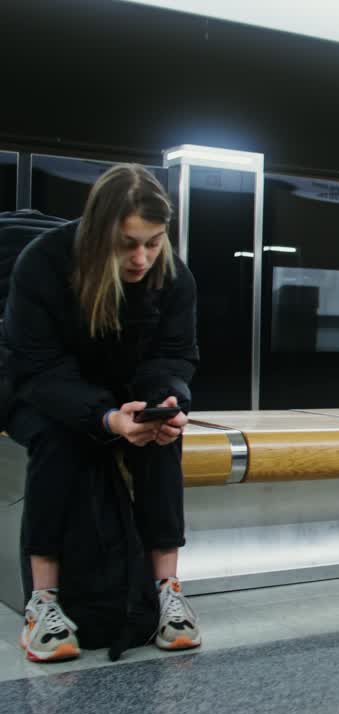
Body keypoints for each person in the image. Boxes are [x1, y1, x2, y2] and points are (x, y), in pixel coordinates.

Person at [4, 164, 201, 662]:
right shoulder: (44, 262)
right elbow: (39, 367)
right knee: (58, 439)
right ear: (97, 233)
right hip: (37, 389)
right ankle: (42, 602)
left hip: (124, 392)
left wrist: (166, 401)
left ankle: (167, 592)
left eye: (153, 242)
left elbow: (174, 356)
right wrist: (105, 418)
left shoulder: (171, 274)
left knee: (162, 438)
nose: (141, 258)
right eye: (126, 244)